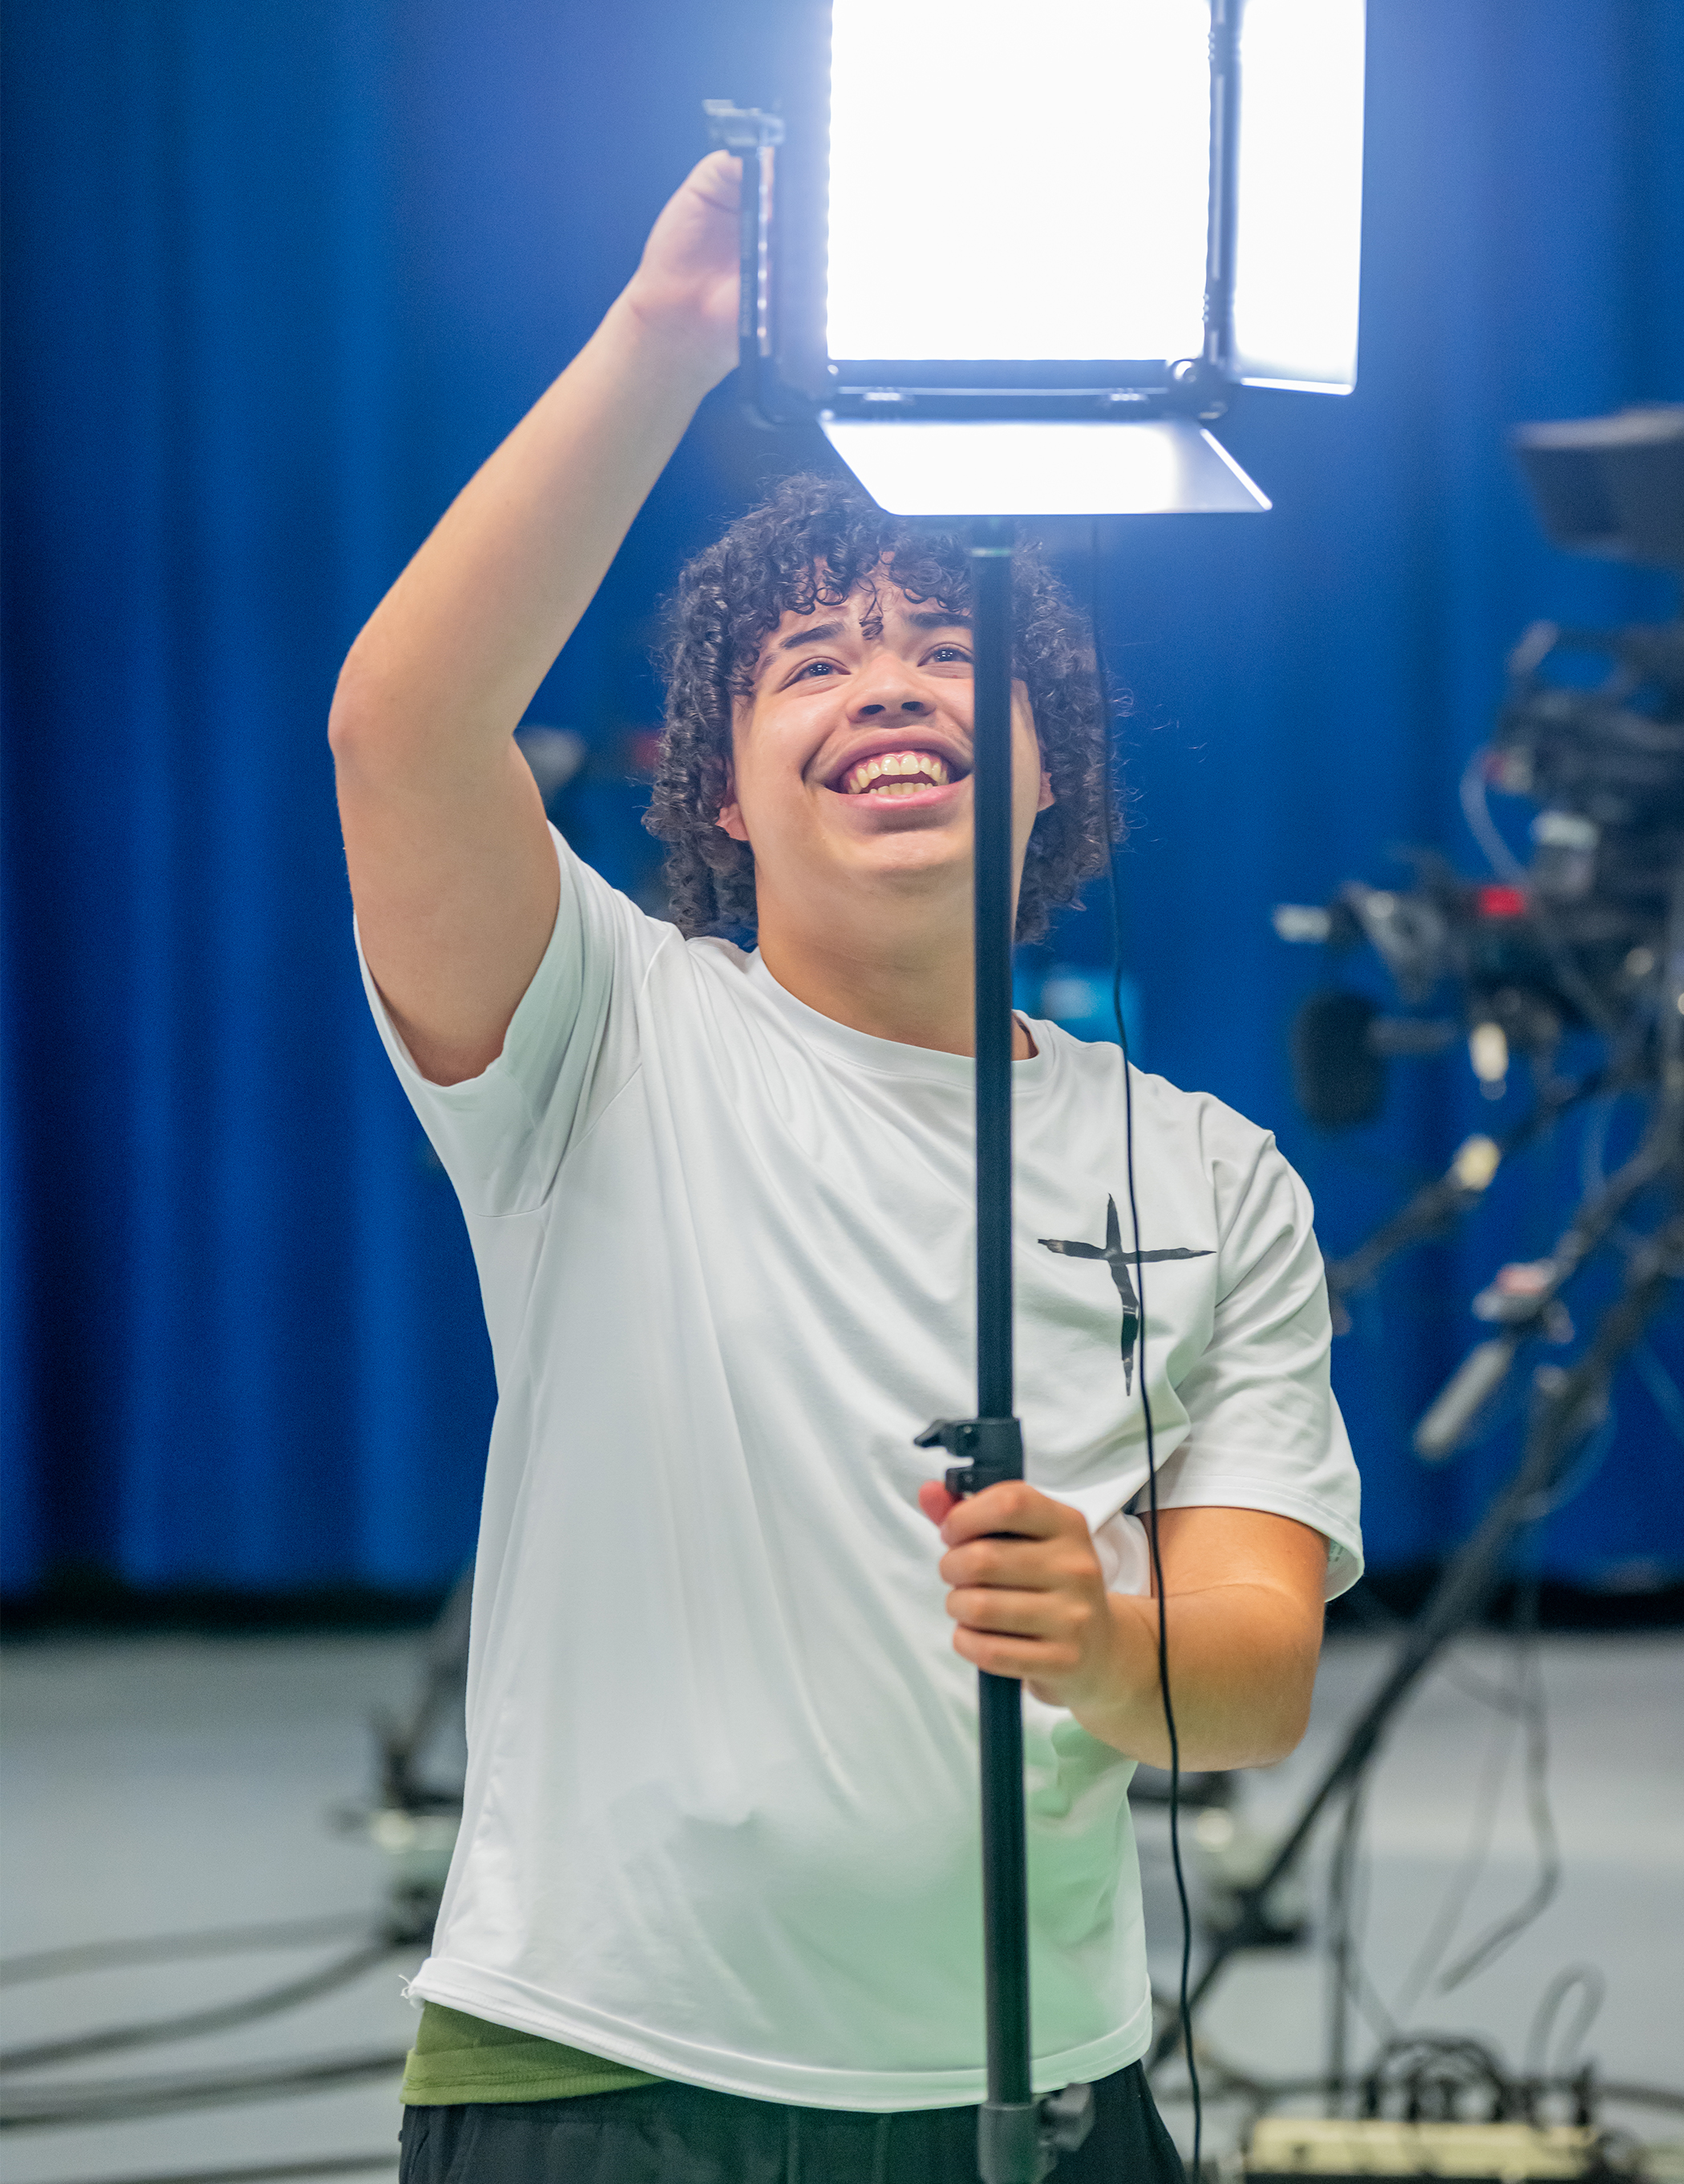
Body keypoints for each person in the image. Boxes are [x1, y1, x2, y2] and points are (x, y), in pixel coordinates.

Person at [330, 148, 1362, 2184]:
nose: (891, 676)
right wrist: (670, 342)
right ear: (716, 784)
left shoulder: (1213, 1174)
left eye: (947, 645)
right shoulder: (602, 1037)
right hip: (599, 2079)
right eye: (811, 658)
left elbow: (1248, 1693)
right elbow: (402, 727)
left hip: (1045, 2094)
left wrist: (1107, 1638)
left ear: (1053, 757)